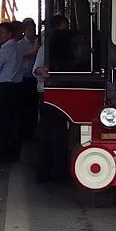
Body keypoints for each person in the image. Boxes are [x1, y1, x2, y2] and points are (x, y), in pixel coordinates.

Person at [35, 15, 70, 182]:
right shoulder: (46, 48)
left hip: (64, 94)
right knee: (50, 134)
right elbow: (35, 70)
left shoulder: (68, 47)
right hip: (47, 94)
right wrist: (42, 72)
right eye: (63, 28)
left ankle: (58, 170)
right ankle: (46, 171)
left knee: (59, 134)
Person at [0, 21, 25, 163]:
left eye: (1, 32)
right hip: (18, 86)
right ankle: (15, 152)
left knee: (3, 122)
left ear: (9, 34)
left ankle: (2, 155)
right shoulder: (18, 46)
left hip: (6, 87)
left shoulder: (5, 49)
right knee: (15, 121)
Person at [19, 18, 39, 140]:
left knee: (33, 106)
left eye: (33, 29)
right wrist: (35, 50)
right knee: (25, 106)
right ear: (24, 30)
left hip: (34, 78)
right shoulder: (20, 44)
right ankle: (24, 132)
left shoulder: (37, 42)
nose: (32, 31)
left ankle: (32, 131)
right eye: (30, 29)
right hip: (24, 77)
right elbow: (23, 56)